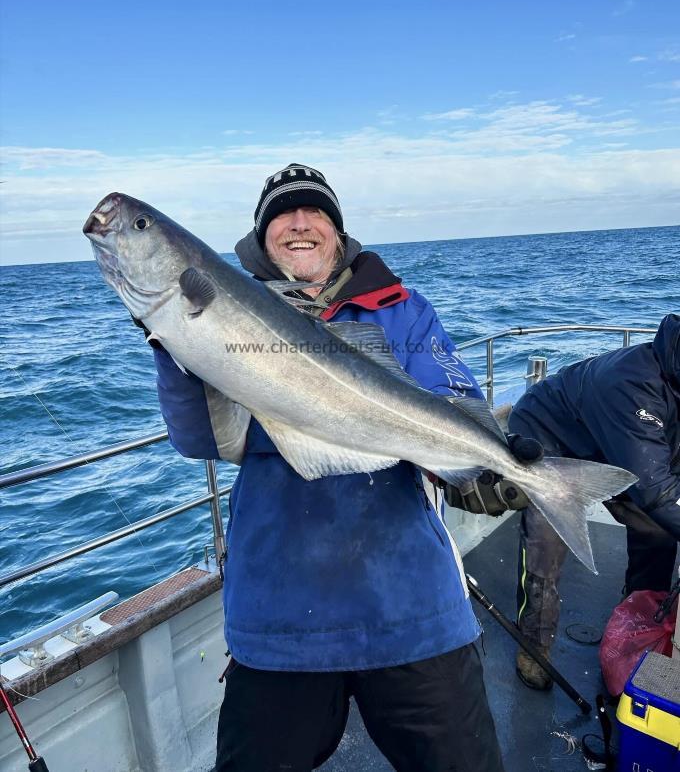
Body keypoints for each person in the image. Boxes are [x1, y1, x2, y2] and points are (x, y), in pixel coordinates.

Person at [148, 163, 534, 772]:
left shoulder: (401, 309)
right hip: (278, 616)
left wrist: (485, 466)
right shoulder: (225, 313)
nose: (300, 224)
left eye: (316, 213)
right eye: (283, 215)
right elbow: (201, 439)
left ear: (337, 231)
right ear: (261, 236)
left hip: (411, 608)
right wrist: (173, 342)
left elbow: (454, 400)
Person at [506, 316, 680, 689]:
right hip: (548, 440)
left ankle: (639, 620)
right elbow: (656, 489)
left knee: (657, 532)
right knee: (546, 545)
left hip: (613, 446)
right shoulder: (634, 383)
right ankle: (534, 648)